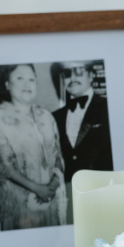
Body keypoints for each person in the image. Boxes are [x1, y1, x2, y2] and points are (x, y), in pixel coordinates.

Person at [0, 64, 66, 230]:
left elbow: (59, 156)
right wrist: (39, 189)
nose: (27, 84)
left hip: (50, 203)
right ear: (7, 84)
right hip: (18, 205)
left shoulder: (46, 116)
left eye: (31, 79)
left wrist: (51, 187)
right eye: (19, 78)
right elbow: (3, 166)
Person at [51, 62, 112, 222]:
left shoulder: (109, 108)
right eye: (67, 74)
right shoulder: (54, 117)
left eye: (79, 72)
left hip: (105, 197)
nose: (73, 78)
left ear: (91, 76)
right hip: (70, 201)